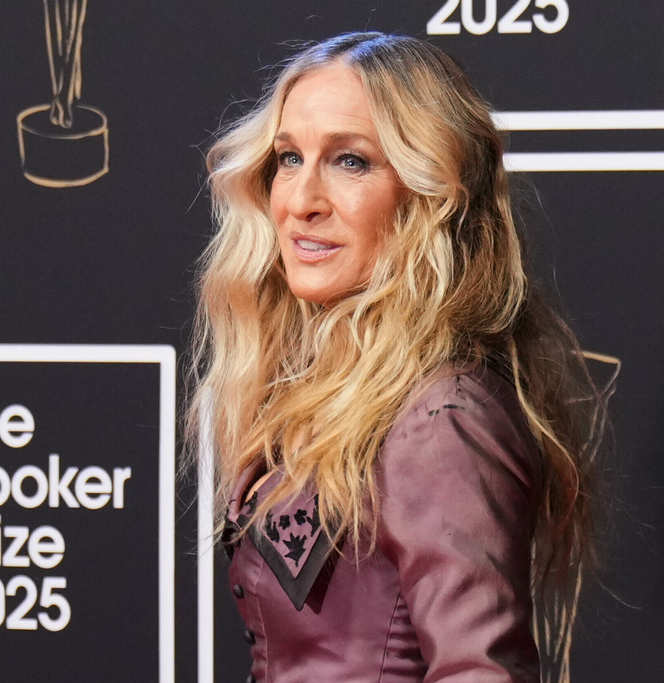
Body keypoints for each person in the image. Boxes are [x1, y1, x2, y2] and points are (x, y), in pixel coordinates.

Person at [188, 32, 614, 683]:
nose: (301, 201)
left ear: (431, 194)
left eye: (350, 161)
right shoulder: (320, 390)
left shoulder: (441, 419)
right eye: (289, 158)